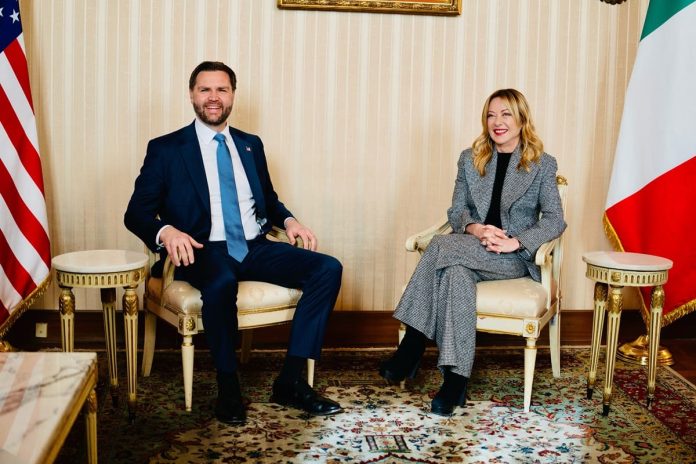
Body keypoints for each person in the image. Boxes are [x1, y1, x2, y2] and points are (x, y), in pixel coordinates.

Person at [124, 61, 343, 425]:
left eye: (222, 89)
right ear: (192, 95)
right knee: (222, 282)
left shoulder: (250, 145)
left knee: (327, 268)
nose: (214, 97)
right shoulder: (167, 148)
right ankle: (228, 388)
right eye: (205, 89)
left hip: (254, 246)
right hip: (201, 250)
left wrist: (290, 221)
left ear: (232, 96)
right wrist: (168, 232)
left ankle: (290, 381)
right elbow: (136, 213)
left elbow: (267, 200)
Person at [379, 89, 566, 416]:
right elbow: (457, 211)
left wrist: (515, 242)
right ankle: (455, 381)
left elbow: (554, 219)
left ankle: (412, 345)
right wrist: (476, 229)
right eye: (491, 115)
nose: (497, 122)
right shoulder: (471, 157)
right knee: (455, 274)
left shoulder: (541, 163)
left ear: (521, 119)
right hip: (470, 247)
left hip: (512, 256)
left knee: (440, 245)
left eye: (506, 114)